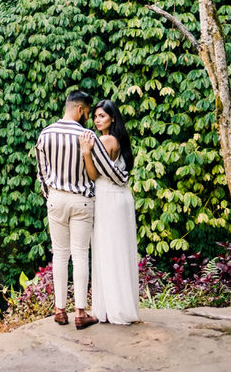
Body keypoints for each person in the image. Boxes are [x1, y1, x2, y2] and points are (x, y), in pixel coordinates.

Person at [35, 90, 130, 329]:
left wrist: (51, 196)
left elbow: (42, 172)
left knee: (59, 254)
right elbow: (104, 170)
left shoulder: (45, 134)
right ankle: (79, 312)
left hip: (56, 199)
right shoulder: (87, 136)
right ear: (80, 110)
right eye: (88, 113)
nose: (89, 118)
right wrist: (123, 179)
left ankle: (59, 311)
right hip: (81, 201)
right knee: (79, 255)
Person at [80, 99, 140, 325]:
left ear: (112, 118)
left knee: (108, 251)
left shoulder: (104, 140)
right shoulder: (121, 140)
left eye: (102, 116)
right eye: (95, 116)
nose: (97, 120)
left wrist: (86, 152)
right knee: (120, 251)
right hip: (121, 197)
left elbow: (94, 175)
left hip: (108, 197)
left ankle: (110, 309)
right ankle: (121, 306)